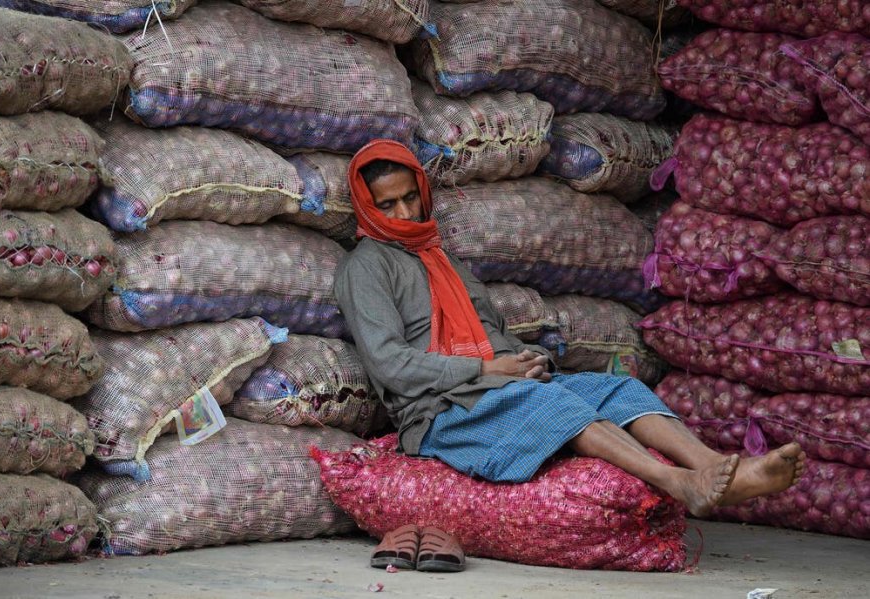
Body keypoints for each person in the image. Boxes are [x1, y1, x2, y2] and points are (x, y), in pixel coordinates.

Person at [334, 139, 806, 570]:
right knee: (557, 406)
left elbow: (492, 333)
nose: (403, 211)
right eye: (387, 204)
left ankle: (710, 466)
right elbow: (390, 364)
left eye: (409, 197)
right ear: (367, 208)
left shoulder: (441, 258)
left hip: (502, 382)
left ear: (422, 190)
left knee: (617, 388)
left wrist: (525, 358)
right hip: (444, 409)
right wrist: (486, 367)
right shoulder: (366, 268)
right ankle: (677, 483)